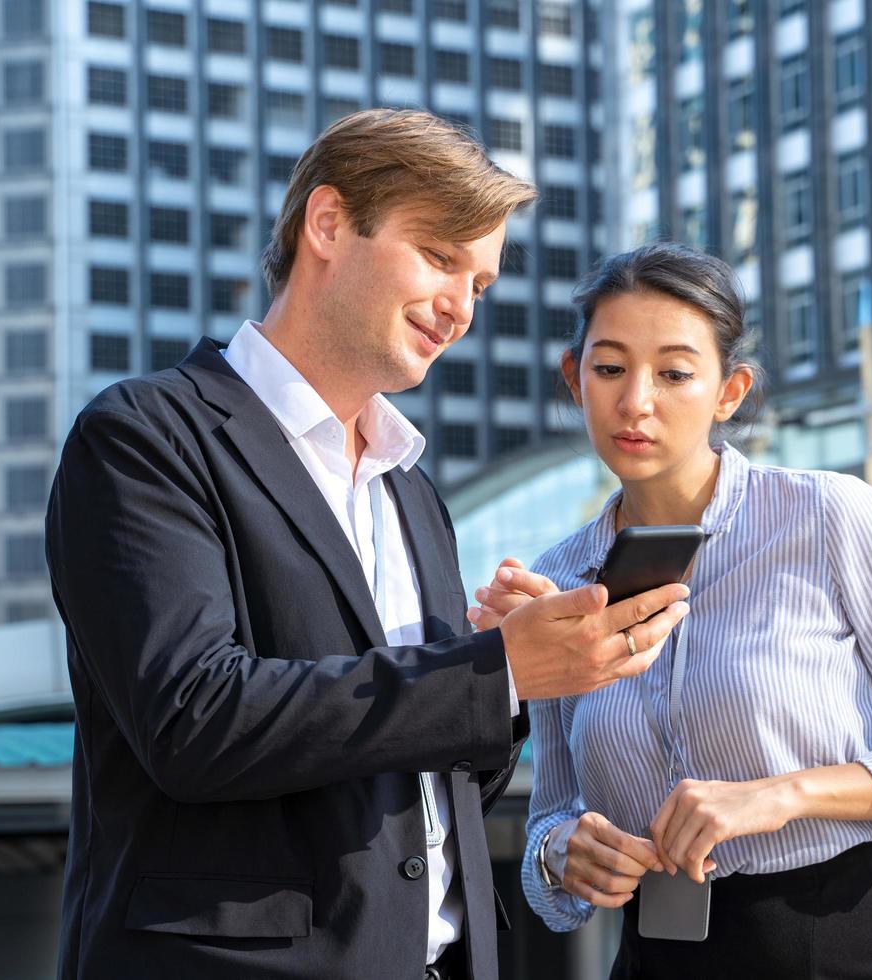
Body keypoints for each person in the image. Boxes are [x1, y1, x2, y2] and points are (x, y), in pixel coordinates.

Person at [45, 110, 691, 980]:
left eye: (482, 283)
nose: (462, 306)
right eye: (440, 257)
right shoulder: (146, 437)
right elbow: (195, 721)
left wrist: (504, 684)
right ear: (327, 225)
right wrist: (493, 671)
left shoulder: (412, 490)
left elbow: (424, 781)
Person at [470, 243, 872, 978]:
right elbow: (553, 814)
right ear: (575, 381)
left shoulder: (829, 519)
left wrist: (782, 796)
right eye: (610, 369)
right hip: (655, 956)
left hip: (841, 943)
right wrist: (560, 853)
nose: (637, 401)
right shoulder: (557, 579)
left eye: (674, 373)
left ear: (729, 392)